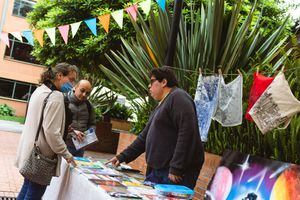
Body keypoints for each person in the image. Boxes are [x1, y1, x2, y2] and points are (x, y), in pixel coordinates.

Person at [107, 66, 205, 190]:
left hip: (173, 173)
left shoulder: (178, 97)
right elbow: (144, 137)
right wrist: (122, 156)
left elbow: (187, 132)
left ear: (164, 82)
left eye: (152, 81)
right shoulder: (162, 104)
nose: (149, 86)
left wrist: (177, 168)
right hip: (158, 170)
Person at [15, 62, 78, 200]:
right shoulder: (56, 96)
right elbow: (51, 132)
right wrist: (66, 154)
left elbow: (41, 122)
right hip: (42, 156)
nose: (73, 84)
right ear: (60, 75)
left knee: (26, 189)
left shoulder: (40, 90)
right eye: (71, 79)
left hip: (30, 152)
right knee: (33, 195)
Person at [64, 80, 96, 157]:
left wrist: (88, 135)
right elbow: (59, 124)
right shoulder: (64, 101)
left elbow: (92, 124)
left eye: (87, 93)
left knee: (76, 168)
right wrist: (74, 132)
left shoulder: (89, 105)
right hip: (64, 144)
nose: (84, 94)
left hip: (80, 146)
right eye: (82, 90)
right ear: (75, 88)